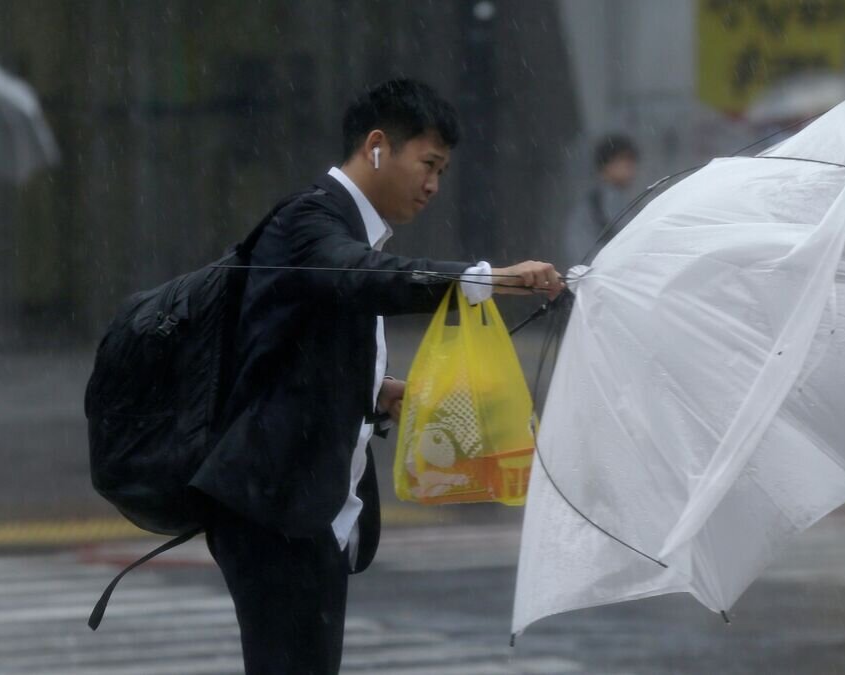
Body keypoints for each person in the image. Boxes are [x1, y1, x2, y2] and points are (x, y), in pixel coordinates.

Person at [190, 78, 562, 674]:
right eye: (429, 164)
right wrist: (484, 279)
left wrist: (377, 392)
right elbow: (360, 277)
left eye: (442, 171)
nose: (434, 185)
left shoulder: (342, 228)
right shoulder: (310, 219)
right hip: (275, 507)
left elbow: (300, 343)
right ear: (378, 146)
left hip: (304, 506)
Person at [562, 133, 639, 268]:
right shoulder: (595, 205)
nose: (630, 167)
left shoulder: (625, 200)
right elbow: (582, 254)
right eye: (623, 160)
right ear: (607, 164)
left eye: (631, 161)